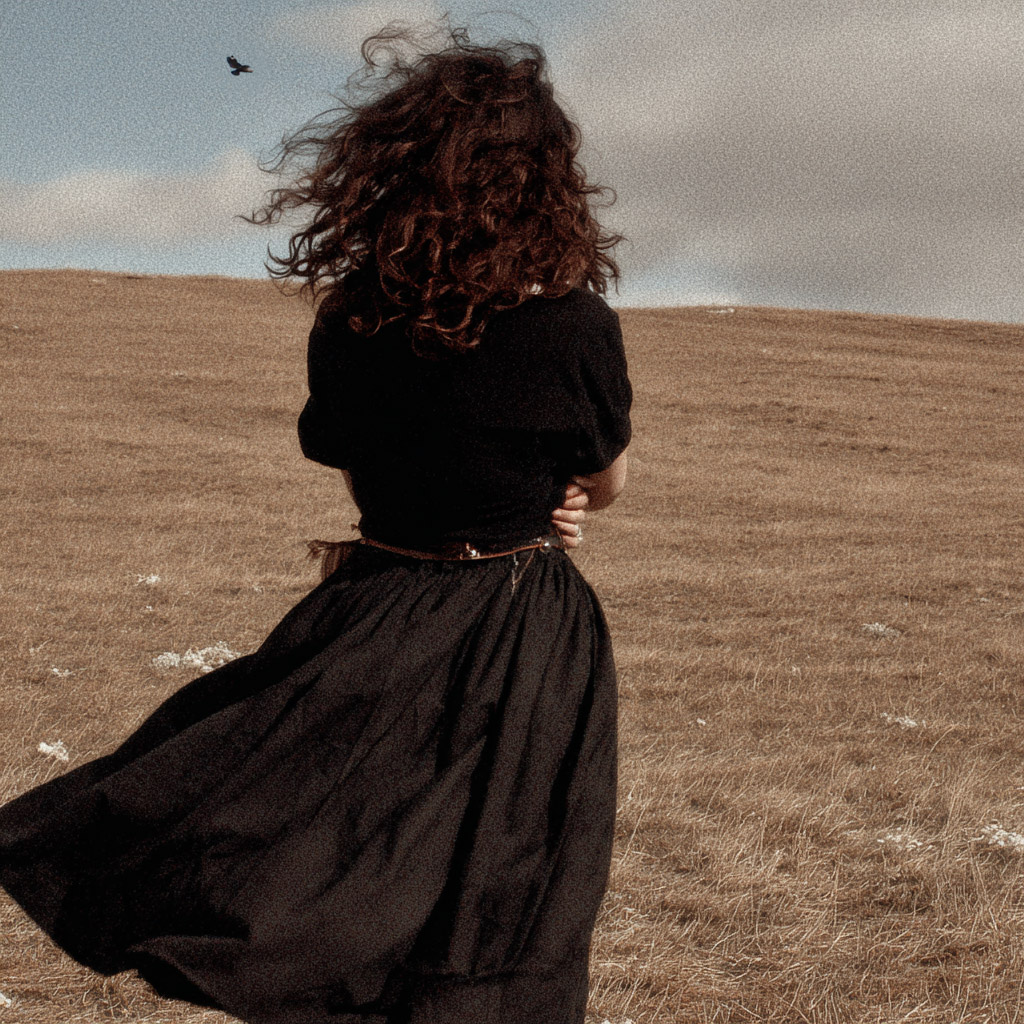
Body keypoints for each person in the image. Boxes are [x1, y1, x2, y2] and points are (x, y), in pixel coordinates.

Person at [0, 24, 631, 1024]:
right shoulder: (573, 325)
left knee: (334, 853)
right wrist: (558, 498)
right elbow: (607, 479)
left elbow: (359, 466)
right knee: (504, 889)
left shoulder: (352, 320)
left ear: (399, 170)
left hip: (372, 607)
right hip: (519, 626)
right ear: (542, 179)